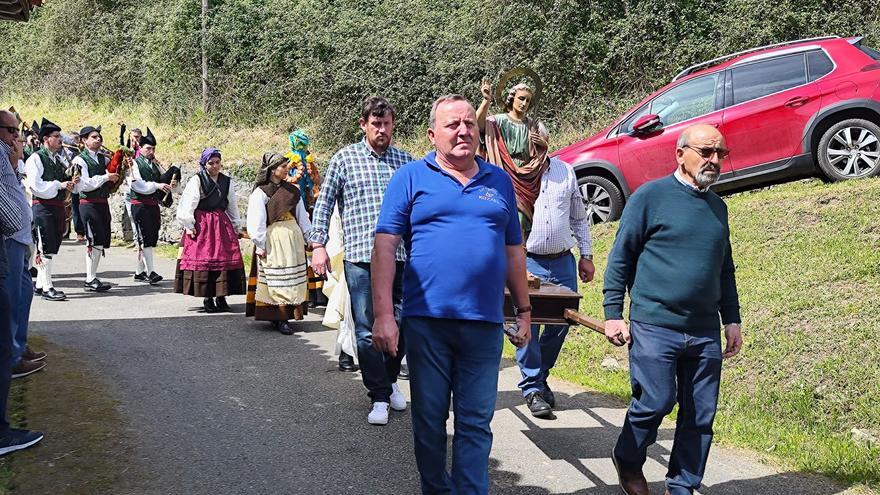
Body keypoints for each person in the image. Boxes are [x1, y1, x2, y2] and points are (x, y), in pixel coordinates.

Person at [372, 94, 532, 494]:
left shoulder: (497, 181)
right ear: (432, 135)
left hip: (484, 323)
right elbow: (385, 246)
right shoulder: (410, 177)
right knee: (429, 420)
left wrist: (524, 309)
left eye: (469, 124)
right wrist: (384, 316)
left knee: (476, 420)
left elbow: (513, 249)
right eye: (452, 125)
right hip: (428, 322)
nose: (463, 131)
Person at [603, 124, 743, 495]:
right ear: (680, 153)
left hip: (703, 328)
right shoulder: (650, 197)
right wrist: (613, 312)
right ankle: (628, 459)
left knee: (700, 414)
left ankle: (682, 485)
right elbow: (621, 258)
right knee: (655, 401)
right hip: (654, 323)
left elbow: (724, 268)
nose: (714, 160)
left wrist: (732, 319)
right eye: (706, 152)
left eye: (720, 154)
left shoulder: (718, 208)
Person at [309, 96, 413, 425]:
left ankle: (391, 378)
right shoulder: (345, 159)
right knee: (367, 330)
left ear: (393, 125)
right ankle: (379, 395)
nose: (381, 129)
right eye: (375, 124)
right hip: (359, 258)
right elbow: (323, 205)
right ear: (363, 125)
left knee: (403, 324)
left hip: (400, 257)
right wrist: (318, 245)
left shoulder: (406, 163)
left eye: (386, 124)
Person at [514, 152, 596, 417]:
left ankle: (540, 375)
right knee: (528, 325)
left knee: (562, 323)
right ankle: (532, 389)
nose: (533, 153)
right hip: (528, 262)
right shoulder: (514, 174)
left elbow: (579, 218)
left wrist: (587, 255)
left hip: (563, 261)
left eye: (538, 147)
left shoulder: (565, 171)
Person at [0, 110, 44, 455]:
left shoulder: (10, 159)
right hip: (9, 239)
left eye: (18, 131)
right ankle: (13, 354)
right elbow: (12, 208)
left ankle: (17, 349)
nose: (17, 137)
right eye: (11, 131)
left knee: (22, 294)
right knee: (11, 301)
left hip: (18, 239)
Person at [246, 152, 311, 335]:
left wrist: (309, 237)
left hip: (293, 238)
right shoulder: (261, 193)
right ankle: (280, 317)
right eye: (283, 166)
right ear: (273, 170)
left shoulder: (292, 191)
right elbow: (256, 221)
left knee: (291, 277)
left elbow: (302, 217)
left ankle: (289, 314)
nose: (286, 169)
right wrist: (260, 243)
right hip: (274, 238)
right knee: (277, 278)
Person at [174, 147, 246, 313]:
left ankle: (221, 297)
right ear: (204, 164)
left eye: (217, 162)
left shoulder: (226, 181)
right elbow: (188, 204)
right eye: (211, 163)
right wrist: (189, 225)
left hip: (221, 224)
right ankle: (208, 298)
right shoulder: (197, 180)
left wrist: (236, 225)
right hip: (202, 224)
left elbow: (232, 205)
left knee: (223, 259)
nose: (215, 166)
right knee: (206, 259)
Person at [476, 80, 550, 238]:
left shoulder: (532, 124)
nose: (524, 103)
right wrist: (486, 100)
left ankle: (523, 252)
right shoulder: (499, 120)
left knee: (525, 220)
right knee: (510, 216)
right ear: (512, 98)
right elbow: (477, 125)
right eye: (521, 98)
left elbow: (542, 149)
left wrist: (542, 144)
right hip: (505, 171)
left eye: (528, 100)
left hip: (528, 177)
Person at [24, 118, 77, 302]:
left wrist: (71, 181)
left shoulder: (58, 159)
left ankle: (39, 284)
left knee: (52, 245)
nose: (60, 139)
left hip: (56, 206)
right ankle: (48, 287)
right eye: (56, 136)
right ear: (46, 139)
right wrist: (59, 184)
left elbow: (63, 182)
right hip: (43, 206)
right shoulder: (36, 158)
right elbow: (35, 185)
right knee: (44, 246)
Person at [72, 125, 120, 292]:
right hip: (88, 203)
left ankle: (92, 276)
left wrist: (120, 162)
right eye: (94, 137)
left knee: (100, 240)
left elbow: (115, 169)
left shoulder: (103, 159)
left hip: (102, 202)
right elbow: (84, 185)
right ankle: (89, 278)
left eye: (99, 137)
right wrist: (106, 176)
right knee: (92, 240)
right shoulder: (79, 160)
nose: (98, 139)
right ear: (84, 141)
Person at [129, 128, 179, 284]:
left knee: (151, 236)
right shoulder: (134, 164)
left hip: (152, 205)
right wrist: (157, 185)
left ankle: (139, 272)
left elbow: (167, 186)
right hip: (139, 205)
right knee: (145, 238)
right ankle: (150, 272)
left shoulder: (155, 165)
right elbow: (137, 185)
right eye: (148, 148)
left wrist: (172, 184)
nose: (151, 151)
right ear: (140, 148)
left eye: (153, 149)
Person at [63, 130, 86, 243]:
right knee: (73, 207)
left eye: (75, 139)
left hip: (82, 183)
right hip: (69, 182)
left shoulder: (81, 151)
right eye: (72, 140)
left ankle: (84, 231)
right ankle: (79, 232)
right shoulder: (65, 151)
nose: (74, 142)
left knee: (79, 207)